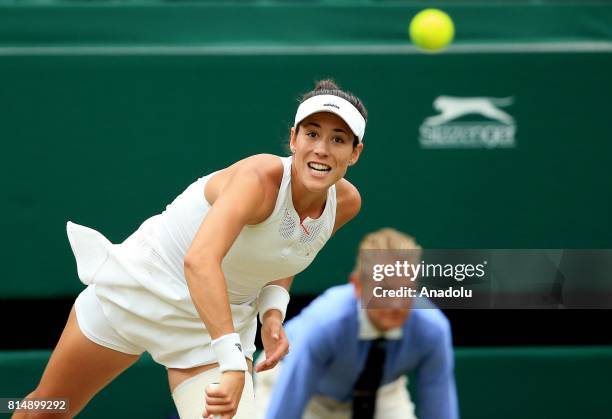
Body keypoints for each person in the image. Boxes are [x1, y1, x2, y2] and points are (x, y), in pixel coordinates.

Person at [13, 79, 366, 419]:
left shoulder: (345, 204)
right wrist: (231, 362)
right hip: (140, 287)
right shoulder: (258, 178)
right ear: (293, 138)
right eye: (312, 133)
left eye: (338, 139)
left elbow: (285, 252)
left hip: (210, 327)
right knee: (47, 408)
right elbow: (199, 261)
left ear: (354, 153)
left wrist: (272, 314)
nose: (321, 148)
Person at [255, 228, 459, 419]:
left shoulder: (432, 328)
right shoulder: (326, 322)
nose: (396, 303)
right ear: (358, 286)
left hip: (382, 391)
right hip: (298, 384)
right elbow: (289, 400)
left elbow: (439, 406)